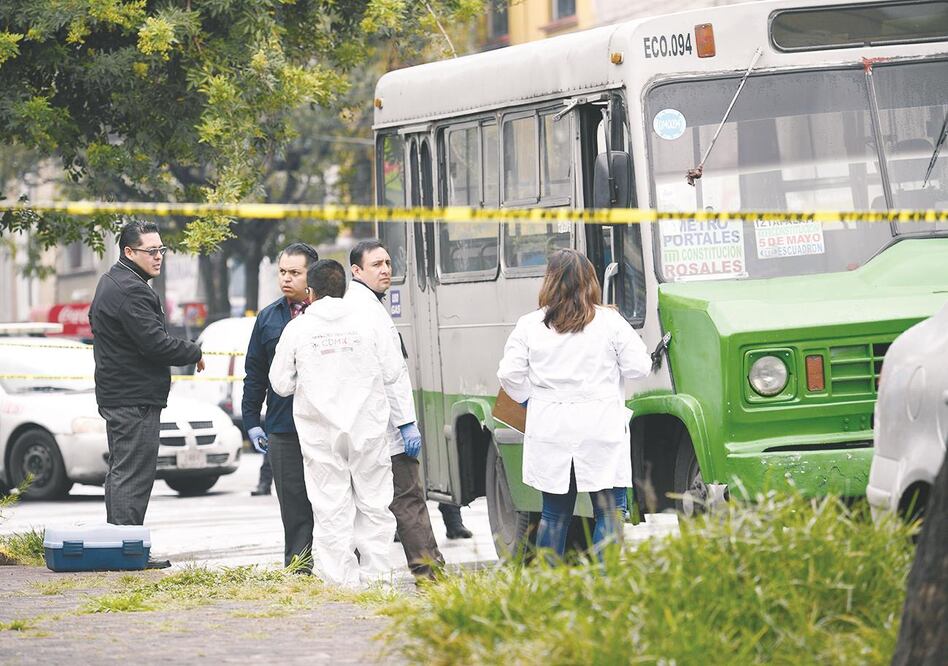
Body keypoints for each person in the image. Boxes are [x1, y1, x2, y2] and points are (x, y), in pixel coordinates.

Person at [497, 249, 651, 559]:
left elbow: (509, 375)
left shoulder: (530, 325)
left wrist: (531, 400)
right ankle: (606, 579)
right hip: (600, 427)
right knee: (609, 510)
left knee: (554, 514)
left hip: (550, 428)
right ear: (591, 281)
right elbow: (639, 368)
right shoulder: (610, 322)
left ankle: (550, 581)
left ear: (549, 282)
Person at [269, 259, 403, 587]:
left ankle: (339, 582)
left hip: (321, 433)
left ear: (310, 292)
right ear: (344, 289)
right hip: (367, 427)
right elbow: (392, 372)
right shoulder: (369, 322)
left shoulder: (298, 329)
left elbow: (280, 384)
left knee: (330, 507)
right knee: (375, 505)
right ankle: (379, 580)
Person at [89, 220, 204, 569]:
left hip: (121, 394)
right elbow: (155, 344)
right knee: (133, 475)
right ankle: (127, 551)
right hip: (133, 398)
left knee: (122, 472)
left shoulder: (113, 281)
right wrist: (193, 351)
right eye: (151, 251)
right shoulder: (131, 290)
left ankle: (120, 546)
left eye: (161, 250)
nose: (158, 257)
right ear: (129, 251)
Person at [346, 239, 445, 581]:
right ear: (356, 270)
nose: (386, 270)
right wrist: (405, 423)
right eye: (377, 264)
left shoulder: (362, 306)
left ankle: (359, 575)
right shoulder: (367, 311)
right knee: (408, 500)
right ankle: (428, 573)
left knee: (365, 505)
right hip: (385, 426)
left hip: (363, 427)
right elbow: (391, 374)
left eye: (388, 263)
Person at [242, 242, 318, 571]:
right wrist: (251, 421)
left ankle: (341, 567)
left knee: (333, 500)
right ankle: (299, 567)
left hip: (327, 424)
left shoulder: (330, 314)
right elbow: (254, 373)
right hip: (283, 426)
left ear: (312, 275)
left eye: (295, 273)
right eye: (282, 272)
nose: (286, 278)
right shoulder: (269, 317)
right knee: (293, 503)